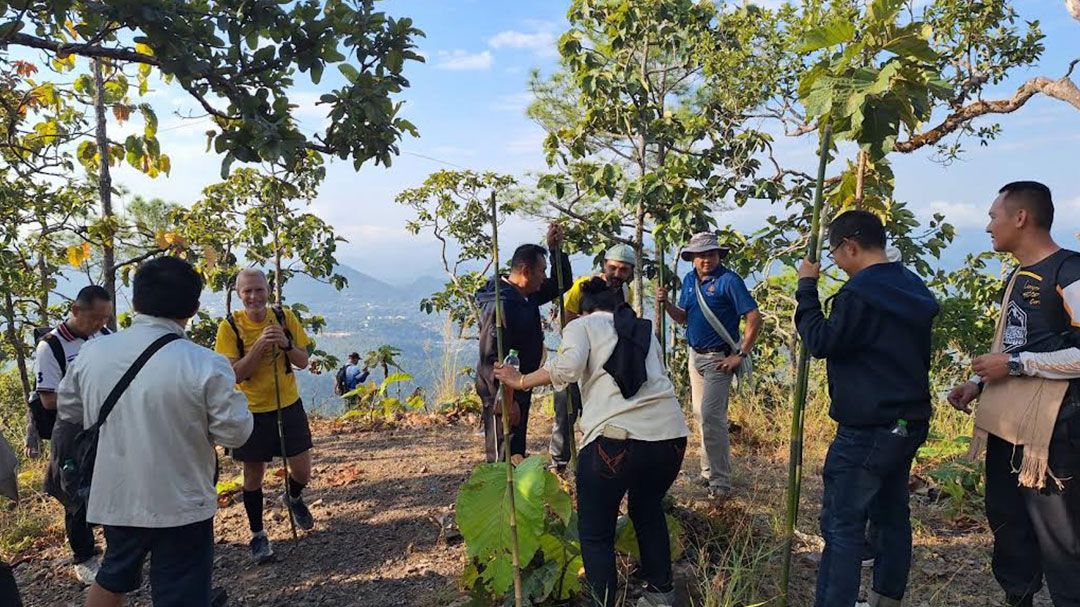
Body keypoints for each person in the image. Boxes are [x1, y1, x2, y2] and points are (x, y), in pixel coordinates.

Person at [56, 257, 253, 607]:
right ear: (192, 308)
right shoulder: (204, 363)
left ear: (135, 302)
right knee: (182, 591)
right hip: (182, 500)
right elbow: (236, 433)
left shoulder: (93, 352)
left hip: (116, 493)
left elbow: (69, 408)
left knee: (113, 576)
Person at [494, 277, 689, 607]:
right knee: (647, 509)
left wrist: (521, 380)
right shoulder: (643, 328)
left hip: (615, 442)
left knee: (596, 532)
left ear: (582, 311)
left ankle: (606, 602)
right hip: (670, 438)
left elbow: (568, 368)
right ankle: (660, 595)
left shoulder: (582, 326)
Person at [795, 211, 939, 607]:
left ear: (850, 247)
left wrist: (806, 290)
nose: (835, 261)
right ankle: (886, 597)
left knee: (842, 525)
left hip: (867, 427)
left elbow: (822, 341)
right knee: (892, 513)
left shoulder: (858, 294)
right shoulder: (911, 284)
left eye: (834, 252)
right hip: (909, 420)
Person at [948, 181, 1080, 607]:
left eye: (993, 216)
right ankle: (1018, 597)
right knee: (1008, 525)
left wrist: (1018, 366)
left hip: (1055, 432)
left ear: (1020, 217)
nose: (988, 226)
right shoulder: (1018, 276)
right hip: (1009, 426)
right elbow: (1014, 345)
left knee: (1062, 538)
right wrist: (979, 383)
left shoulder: (1069, 272)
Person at [215, 268, 315, 564]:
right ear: (238, 294)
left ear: (268, 291)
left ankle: (293, 497)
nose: (254, 296)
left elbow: (303, 361)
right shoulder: (230, 327)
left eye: (259, 290)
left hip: (288, 403)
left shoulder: (285, 318)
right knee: (253, 475)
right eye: (247, 291)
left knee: (303, 470)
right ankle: (258, 535)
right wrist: (259, 346)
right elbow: (234, 374)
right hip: (251, 410)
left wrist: (285, 344)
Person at [658, 232, 762, 499]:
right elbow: (684, 318)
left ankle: (721, 482)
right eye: (701, 255)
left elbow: (753, 316)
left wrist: (740, 354)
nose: (706, 259)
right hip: (696, 357)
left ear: (718, 255)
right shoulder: (689, 280)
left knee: (712, 418)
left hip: (719, 359)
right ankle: (708, 473)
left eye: (711, 254)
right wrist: (666, 304)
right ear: (692, 258)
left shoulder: (729, 281)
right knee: (701, 416)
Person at [30, 286, 113, 585]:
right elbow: (48, 399)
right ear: (76, 311)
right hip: (71, 428)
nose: (100, 325)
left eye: (105, 318)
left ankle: (116, 544)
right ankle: (84, 556)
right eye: (95, 318)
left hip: (103, 424)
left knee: (108, 483)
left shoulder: (103, 337)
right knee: (74, 491)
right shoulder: (51, 346)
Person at [475, 224, 571, 463]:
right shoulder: (501, 305)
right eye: (541, 271)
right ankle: (499, 496)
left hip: (519, 384)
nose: (544, 278)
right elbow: (492, 358)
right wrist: (506, 400)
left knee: (516, 450)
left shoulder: (527, 294)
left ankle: (515, 496)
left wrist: (555, 249)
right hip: (503, 391)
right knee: (503, 451)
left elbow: (563, 283)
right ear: (526, 270)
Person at [549, 243, 636, 471]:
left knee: (598, 415)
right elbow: (566, 323)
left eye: (624, 270)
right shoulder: (583, 286)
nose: (617, 274)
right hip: (574, 359)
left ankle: (593, 463)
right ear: (604, 265)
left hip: (604, 365)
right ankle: (559, 463)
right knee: (565, 412)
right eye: (613, 267)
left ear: (631, 272)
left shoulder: (627, 293)